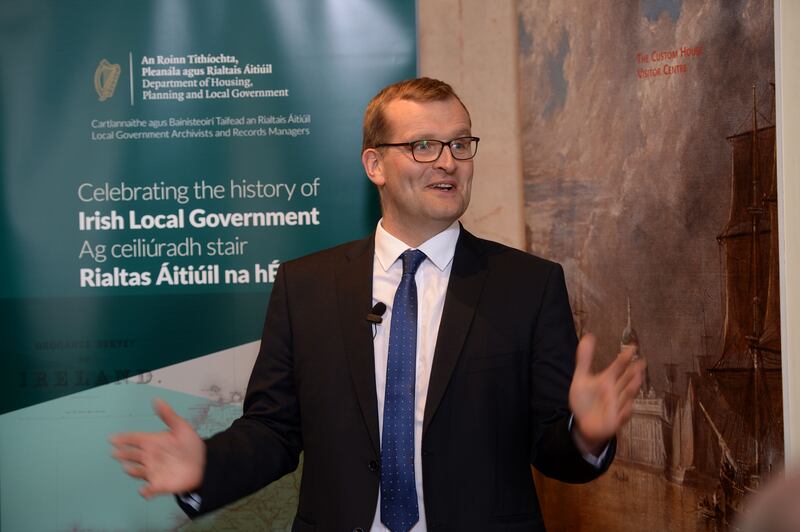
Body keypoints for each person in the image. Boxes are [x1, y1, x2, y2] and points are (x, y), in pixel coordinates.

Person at [111, 77, 645, 531]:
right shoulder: (306, 285)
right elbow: (273, 430)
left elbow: (553, 449)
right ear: (375, 164)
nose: (448, 162)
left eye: (461, 144)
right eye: (423, 146)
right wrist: (207, 466)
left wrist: (585, 435)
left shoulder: (527, 285)